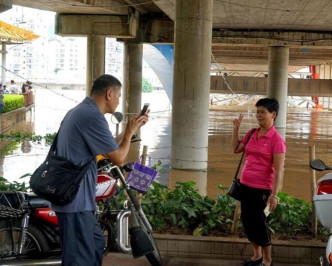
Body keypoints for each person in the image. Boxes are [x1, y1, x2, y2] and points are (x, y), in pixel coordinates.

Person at [51, 74, 149, 266]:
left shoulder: (81, 111)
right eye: (119, 96)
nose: (119, 101)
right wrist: (128, 133)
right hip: (75, 201)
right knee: (81, 259)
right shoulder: (92, 117)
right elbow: (119, 158)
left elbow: (109, 146)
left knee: (95, 244)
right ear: (109, 93)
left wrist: (131, 129)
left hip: (76, 199)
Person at [231, 98, 286, 266]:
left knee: (259, 224)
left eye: (263, 112)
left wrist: (274, 195)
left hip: (262, 189)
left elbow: (278, 171)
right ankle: (256, 256)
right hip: (245, 185)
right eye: (257, 112)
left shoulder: (277, 140)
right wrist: (236, 129)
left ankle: (267, 260)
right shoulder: (252, 133)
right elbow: (235, 149)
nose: (259, 115)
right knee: (247, 222)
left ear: (273, 114)